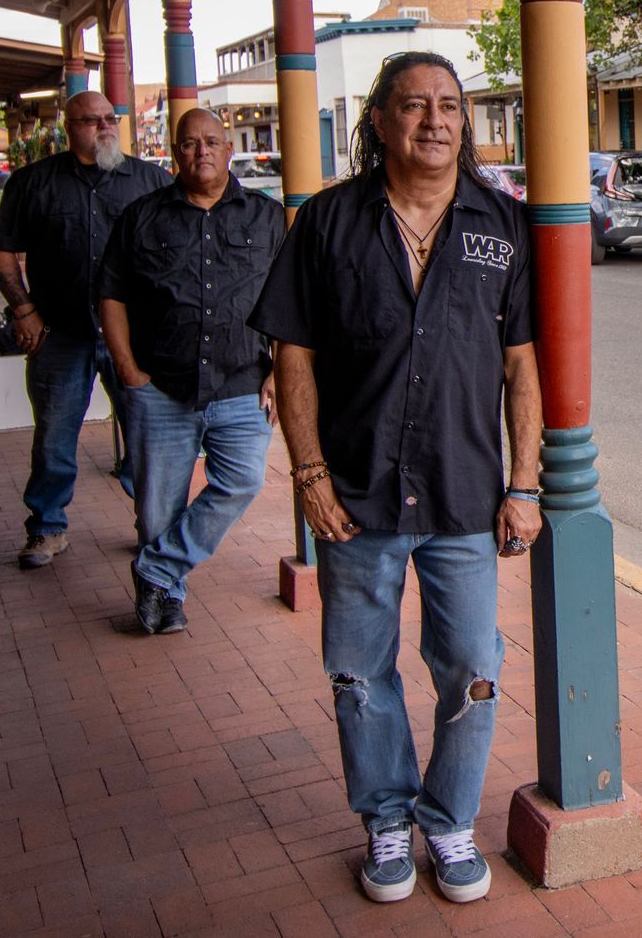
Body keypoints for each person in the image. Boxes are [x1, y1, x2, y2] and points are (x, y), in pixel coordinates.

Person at [249, 51, 541, 907]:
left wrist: (524, 484)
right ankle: (384, 814)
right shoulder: (329, 224)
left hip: (463, 496)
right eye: (413, 105)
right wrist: (308, 475)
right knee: (358, 670)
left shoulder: (502, 226)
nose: (435, 121)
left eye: (449, 105)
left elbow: (522, 365)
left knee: (473, 668)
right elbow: (291, 352)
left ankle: (448, 818)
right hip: (357, 494)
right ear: (377, 121)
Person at [98, 109, 285, 634]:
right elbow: (110, 294)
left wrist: (283, 369)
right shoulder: (141, 217)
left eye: (210, 142)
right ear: (174, 152)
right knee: (156, 509)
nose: (200, 151)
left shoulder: (267, 219)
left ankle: (157, 568)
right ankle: (167, 596)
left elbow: (291, 301)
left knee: (242, 482)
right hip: (160, 385)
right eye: (188, 143)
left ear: (228, 150)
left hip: (242, 382)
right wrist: (128, 368)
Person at [0, 92, 171, 569]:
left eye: (111, 118)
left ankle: (152, 527)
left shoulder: (150, 182)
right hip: (62, 332)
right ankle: (47, 528)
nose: (105, 127)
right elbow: (1, 248)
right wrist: (23, 308)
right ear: (69, 128)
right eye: (92, 120)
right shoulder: (34, 183)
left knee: (148, 434)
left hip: (135, 336)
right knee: (53, 436)